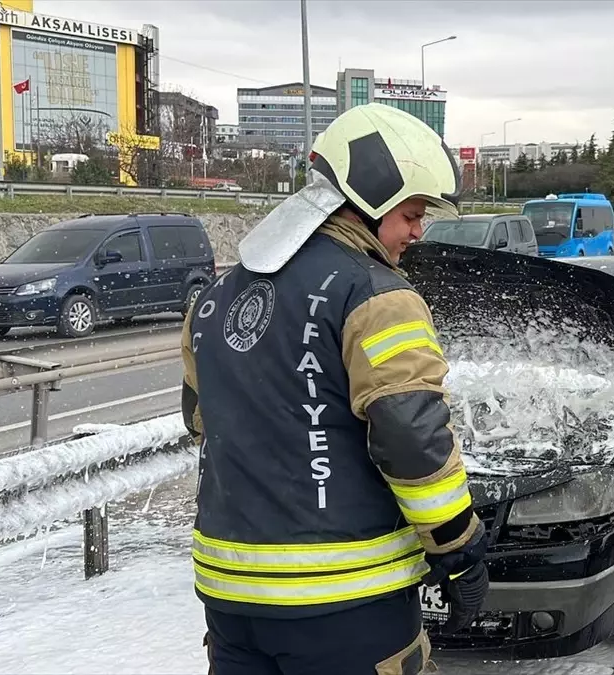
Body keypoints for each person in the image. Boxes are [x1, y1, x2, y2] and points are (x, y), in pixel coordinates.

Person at [181, 103, 488, 675]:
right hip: (346, 602)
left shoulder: (216, 297)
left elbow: (202, 420)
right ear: (368, 204)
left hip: (230, 598)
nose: (418, 232)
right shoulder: (376, 295)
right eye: (412, 213)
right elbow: (411, 437)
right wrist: (459, 546)